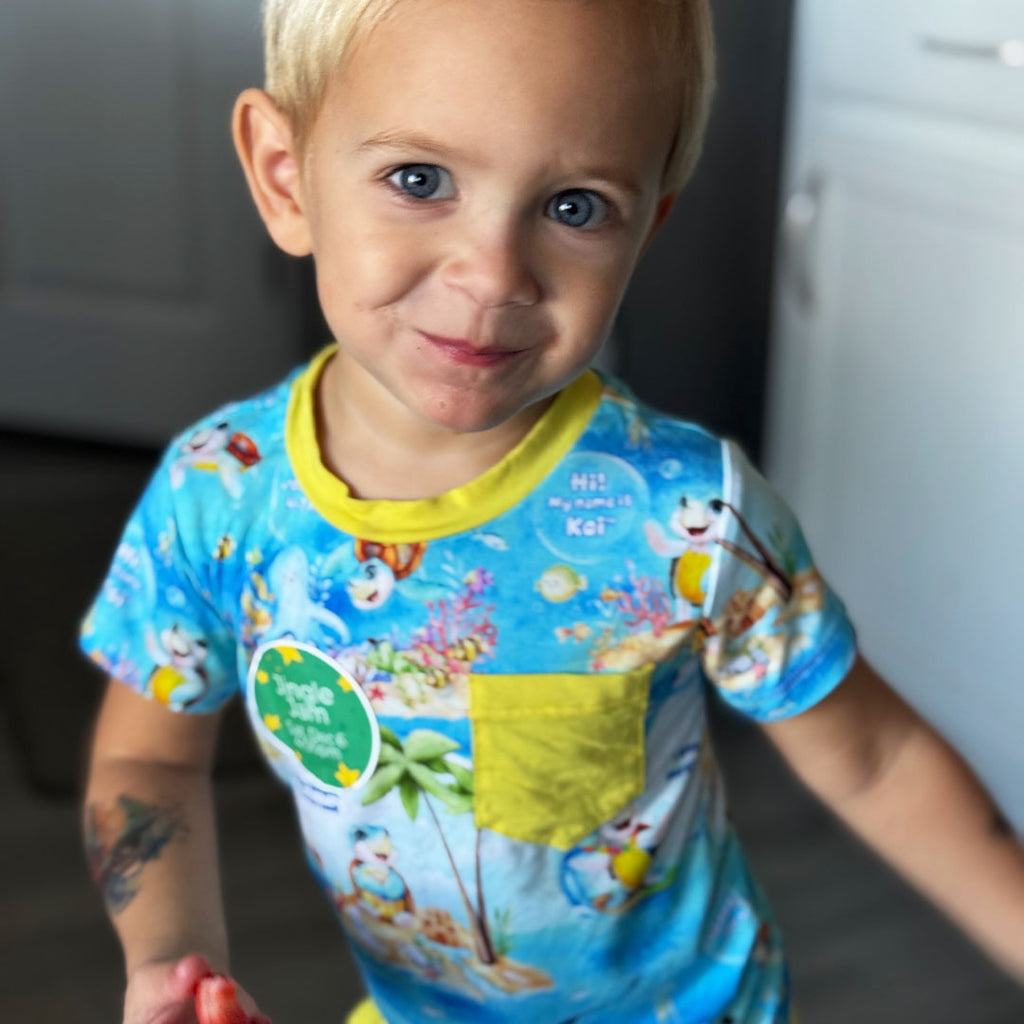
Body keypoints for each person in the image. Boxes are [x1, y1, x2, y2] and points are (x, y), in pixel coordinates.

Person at [79, 1, 1024, 1022]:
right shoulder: (217, 491)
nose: (492, 273)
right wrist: (170, 957)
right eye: (418, 180)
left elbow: (874, 758)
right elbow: (146, 755)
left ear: (645, 225)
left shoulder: (689, 513)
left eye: (575, 206)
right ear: (284, 174)